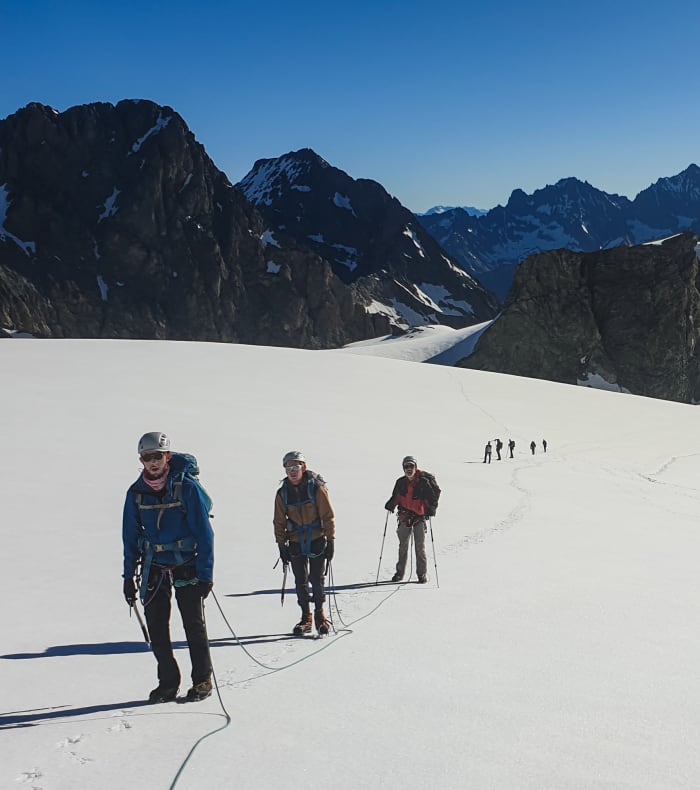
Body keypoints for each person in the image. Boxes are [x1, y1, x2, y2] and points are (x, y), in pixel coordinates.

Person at [122, 432, 214, 704]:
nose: (152, 463)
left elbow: (205, 535)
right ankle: (168, 682)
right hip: (153, 567)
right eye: (146, 457)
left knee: (193, 626)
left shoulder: (187, 488)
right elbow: (129, 537)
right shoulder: (135, 493)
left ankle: (202, 680)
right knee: (157, 628)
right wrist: (128, 576)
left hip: (186, 565)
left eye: (157, 456)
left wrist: (205, 575)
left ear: (168, 457)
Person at [274, 451, 336, 636]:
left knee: (316, 579)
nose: (292, 471)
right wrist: (281, 544)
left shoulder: (316, 488)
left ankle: (319, 614)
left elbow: (328, 516)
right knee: (300, 581)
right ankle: (305, 617)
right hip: (294, 541)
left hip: (316, 538)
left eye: (296, 467)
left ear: (304, 467)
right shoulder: (282, 493)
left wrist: (330, 540)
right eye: (288, 468)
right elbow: (279, 521)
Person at [384, 456, 441, 584]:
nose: (409, 469)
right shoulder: (400, 482)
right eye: (406, 466)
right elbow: (396, 497)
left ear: (415, 467)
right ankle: (399, 573)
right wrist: (391, 504)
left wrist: (430, 509)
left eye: (411, 466)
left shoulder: (423, 482)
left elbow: (432, 497)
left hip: (419, 518)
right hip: (404, 517)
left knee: (419, 548)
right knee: (402, 546)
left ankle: (421, 574)